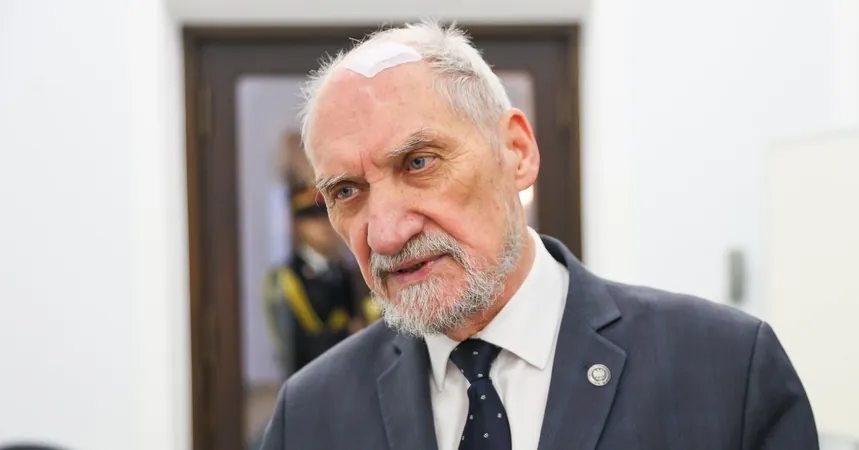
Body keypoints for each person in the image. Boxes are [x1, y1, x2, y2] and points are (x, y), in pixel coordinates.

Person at [260, 20, 817, 450]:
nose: (384, 234)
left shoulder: (724, 370)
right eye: (346, 191)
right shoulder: (309, 415)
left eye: (420, 162)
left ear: (517, 152)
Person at [263, 184, 369, 373]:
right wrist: (349, 333)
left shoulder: (349, 273)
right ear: (299, 226)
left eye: (328, 217)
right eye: (315, 219)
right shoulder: (286, 279)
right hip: (310, 376)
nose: (325, 226)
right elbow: (294, 347)